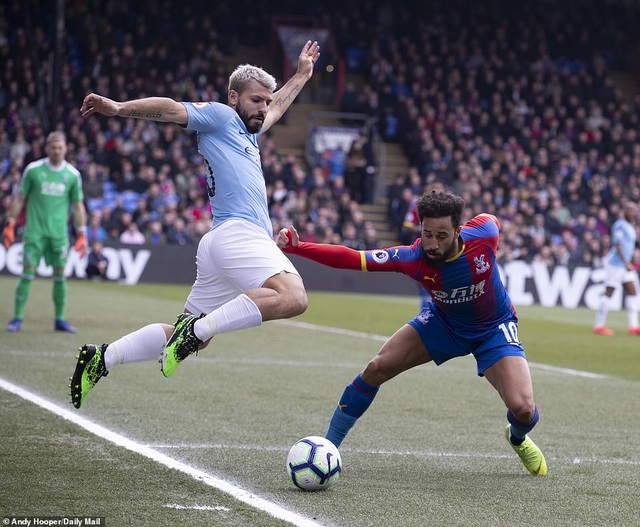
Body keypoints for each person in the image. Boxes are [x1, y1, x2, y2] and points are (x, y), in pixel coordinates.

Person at [68, 40, 321, 409]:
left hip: (224, 241)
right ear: (234, 97)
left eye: (266, 101)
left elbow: (279, 106)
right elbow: (171, 110)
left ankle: (100, 358)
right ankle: (196, 329)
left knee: (191, 340)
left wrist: (301, 74)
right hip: (236, 235)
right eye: (256, 100)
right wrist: (119, 108)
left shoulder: (248, 132)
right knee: (293, 297)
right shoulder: (221, 116)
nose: (264, 108)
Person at [276, 189, 547, 476]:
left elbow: (492, 219)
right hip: (444, 324)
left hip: (493, 327)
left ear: (458, 230)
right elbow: (353, 258)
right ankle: (328, 448)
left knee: (524, 409)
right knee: (376, 368)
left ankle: (517, 437)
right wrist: (298, 247)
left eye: (441, 236)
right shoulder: (412, 257)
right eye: (427, 233)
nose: (432, 243)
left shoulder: (484, 233)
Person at [3, 131, 87, 333]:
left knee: (60, 277)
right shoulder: (33, 170)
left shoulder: (73, 175)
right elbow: (21, 198)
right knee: (27, 274)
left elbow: (77, 206)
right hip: (34, 232)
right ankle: (17, 318)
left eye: (60, 147)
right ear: (47, 148)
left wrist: (82, 233)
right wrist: (10, 223)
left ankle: (59, 320)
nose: (57, 151)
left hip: (59, 235)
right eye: (53, 147)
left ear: (66, 148)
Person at [593, 201, 640, 336]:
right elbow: (618, 245)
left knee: (632, 291)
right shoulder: (620, 225)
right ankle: (599, 326)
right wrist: (626, 262)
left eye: (634, 210)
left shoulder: (630, 226)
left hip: (623, 265)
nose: (633, 212)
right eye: (630, 210)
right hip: (615, 264)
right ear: (624, 211)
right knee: (609, 292)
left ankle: (633, 326)